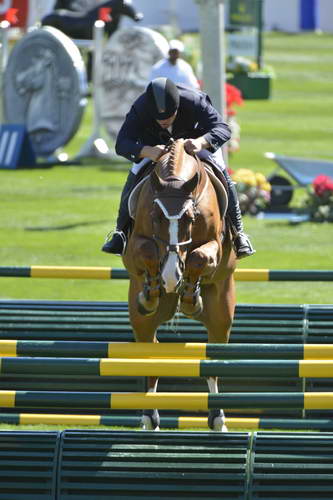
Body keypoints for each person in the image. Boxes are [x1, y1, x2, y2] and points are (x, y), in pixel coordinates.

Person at [102, 77, 255, 259]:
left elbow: (222, 128)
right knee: (135, 174)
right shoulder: (141, 106)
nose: (163, 121)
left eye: (169, 116)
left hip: (194, 145)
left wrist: (201, 142)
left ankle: (238, 233)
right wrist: (146, 151)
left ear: (178, 107)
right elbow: (122, 144)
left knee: (223, 173)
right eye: (158, 118)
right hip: (156, 148)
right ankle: (120, 233)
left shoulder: (193, 100)